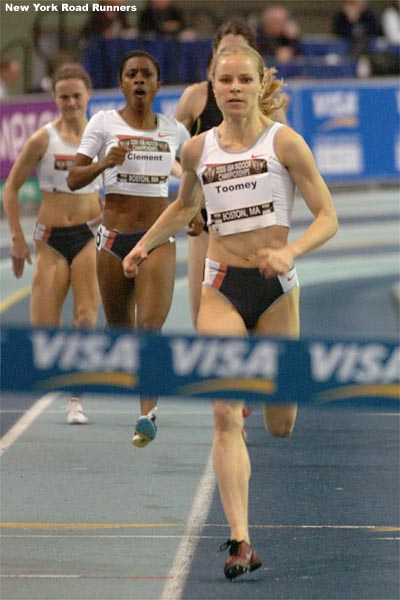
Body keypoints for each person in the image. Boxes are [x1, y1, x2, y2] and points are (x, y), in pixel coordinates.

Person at [122, 44, 338, 578]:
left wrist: (290, 250)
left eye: (245, 80)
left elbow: (327, 217)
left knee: (281, 423)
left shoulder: (285, 143)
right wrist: (144, 244)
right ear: (212, 87)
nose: (235, 89)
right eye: (226, 81)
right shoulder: (197, 150)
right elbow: (186, 205)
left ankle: (269, 424)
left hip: (277, 291)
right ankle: (241, 540)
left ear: (259, 82)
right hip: (220, 287)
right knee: (223, 414)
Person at [67, 50, 189, 447]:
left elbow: (197, 180)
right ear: (121, 84)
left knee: (149, 330)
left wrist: (199, 211)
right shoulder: (103, 123)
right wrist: (104, 164)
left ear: (157, 84)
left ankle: (146, 415)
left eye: (146, 74)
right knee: (120, 332)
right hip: (113, 241)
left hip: (156, 240)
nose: (139, 80)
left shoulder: (174, 132)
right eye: (131, 74)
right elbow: (72, 177)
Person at [3, 64, 102, 425]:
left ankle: (76, 397)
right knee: (44, 330)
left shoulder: (102, 138)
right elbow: (10, 188)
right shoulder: (43, 139)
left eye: (77, 96)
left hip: (90, 234)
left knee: (85, 318)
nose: (71, 103)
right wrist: (16, 239)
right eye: (64, 97)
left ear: (88, 95)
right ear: (56, 99)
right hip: (51, 239)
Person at [175, 18, 287, 329]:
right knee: (205, 320)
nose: (235, 59)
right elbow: (173, 152)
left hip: (257, 226)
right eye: (227, 51)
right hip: (208, 224)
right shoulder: (195, 97)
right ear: (214, 55)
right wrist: (190, 184)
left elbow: (286, 163)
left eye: (242, 52)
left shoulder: (267, 103)